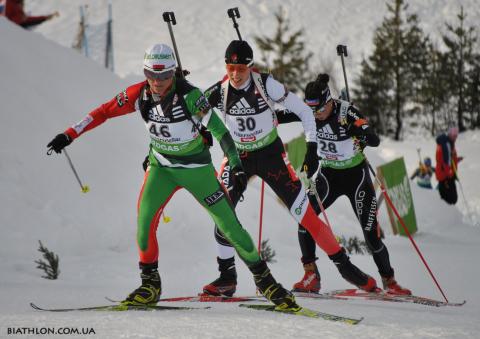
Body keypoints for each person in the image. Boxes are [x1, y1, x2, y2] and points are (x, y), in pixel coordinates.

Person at [46, 43, 301, 311]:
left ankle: (267, 282)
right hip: (161, 169)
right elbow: (104, 111)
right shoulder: (139, 94)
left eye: (164, 76)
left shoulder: (191, 97)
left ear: (173, 73)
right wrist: (69, 134)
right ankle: (149, 285)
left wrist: (236, 165)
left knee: (230, 227)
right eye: (151, 75)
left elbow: (221, 132)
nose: (157, 82)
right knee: (144, 227)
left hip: (197, 171)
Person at [200, 40, 377, 297]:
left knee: (305, 215)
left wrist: (312, 148)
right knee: (221, 211)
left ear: (250, 66)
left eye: (241, 68)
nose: (235, 74)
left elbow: (305, 112)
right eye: (230, 67)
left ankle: (346, 268)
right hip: (238, 156)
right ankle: (227, 277)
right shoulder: (219, 91)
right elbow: (193, 114)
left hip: (270, 156)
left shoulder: (266, 85)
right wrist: (203, 133)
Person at [276, 74, 411, 295]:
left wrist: (362, 133)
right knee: (305, 218)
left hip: (356, 177)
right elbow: (278, 117)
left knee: (371, 235)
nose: (316, 115)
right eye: (311, 111)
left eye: (320, 109)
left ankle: (389, 281)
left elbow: (374, 138)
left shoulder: (345, 112)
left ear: (329, 101)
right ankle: (311, 275)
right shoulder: (309, 110)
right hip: (329, 175)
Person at [435, 126, 463, 205]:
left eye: (456, 136)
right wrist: (450, 172)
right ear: (450, 134)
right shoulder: (446, 145)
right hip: (445, 176)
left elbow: (450, 159)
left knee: (451, 198)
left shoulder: (450, 143)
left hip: (448, 175)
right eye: (454, 136)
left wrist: (457, 159)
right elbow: (445, 162)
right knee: (450, 199)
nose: (455, 138)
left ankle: (447, 212)